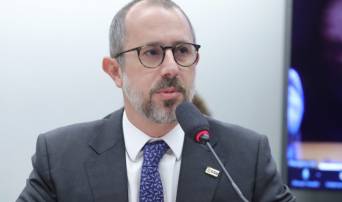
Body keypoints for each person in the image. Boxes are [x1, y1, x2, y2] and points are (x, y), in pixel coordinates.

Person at [17, 0, 295, 201]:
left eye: (182, 51)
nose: (172, 67)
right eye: (151, 52)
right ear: (115, 71)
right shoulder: (62, 156)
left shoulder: (246, 155)